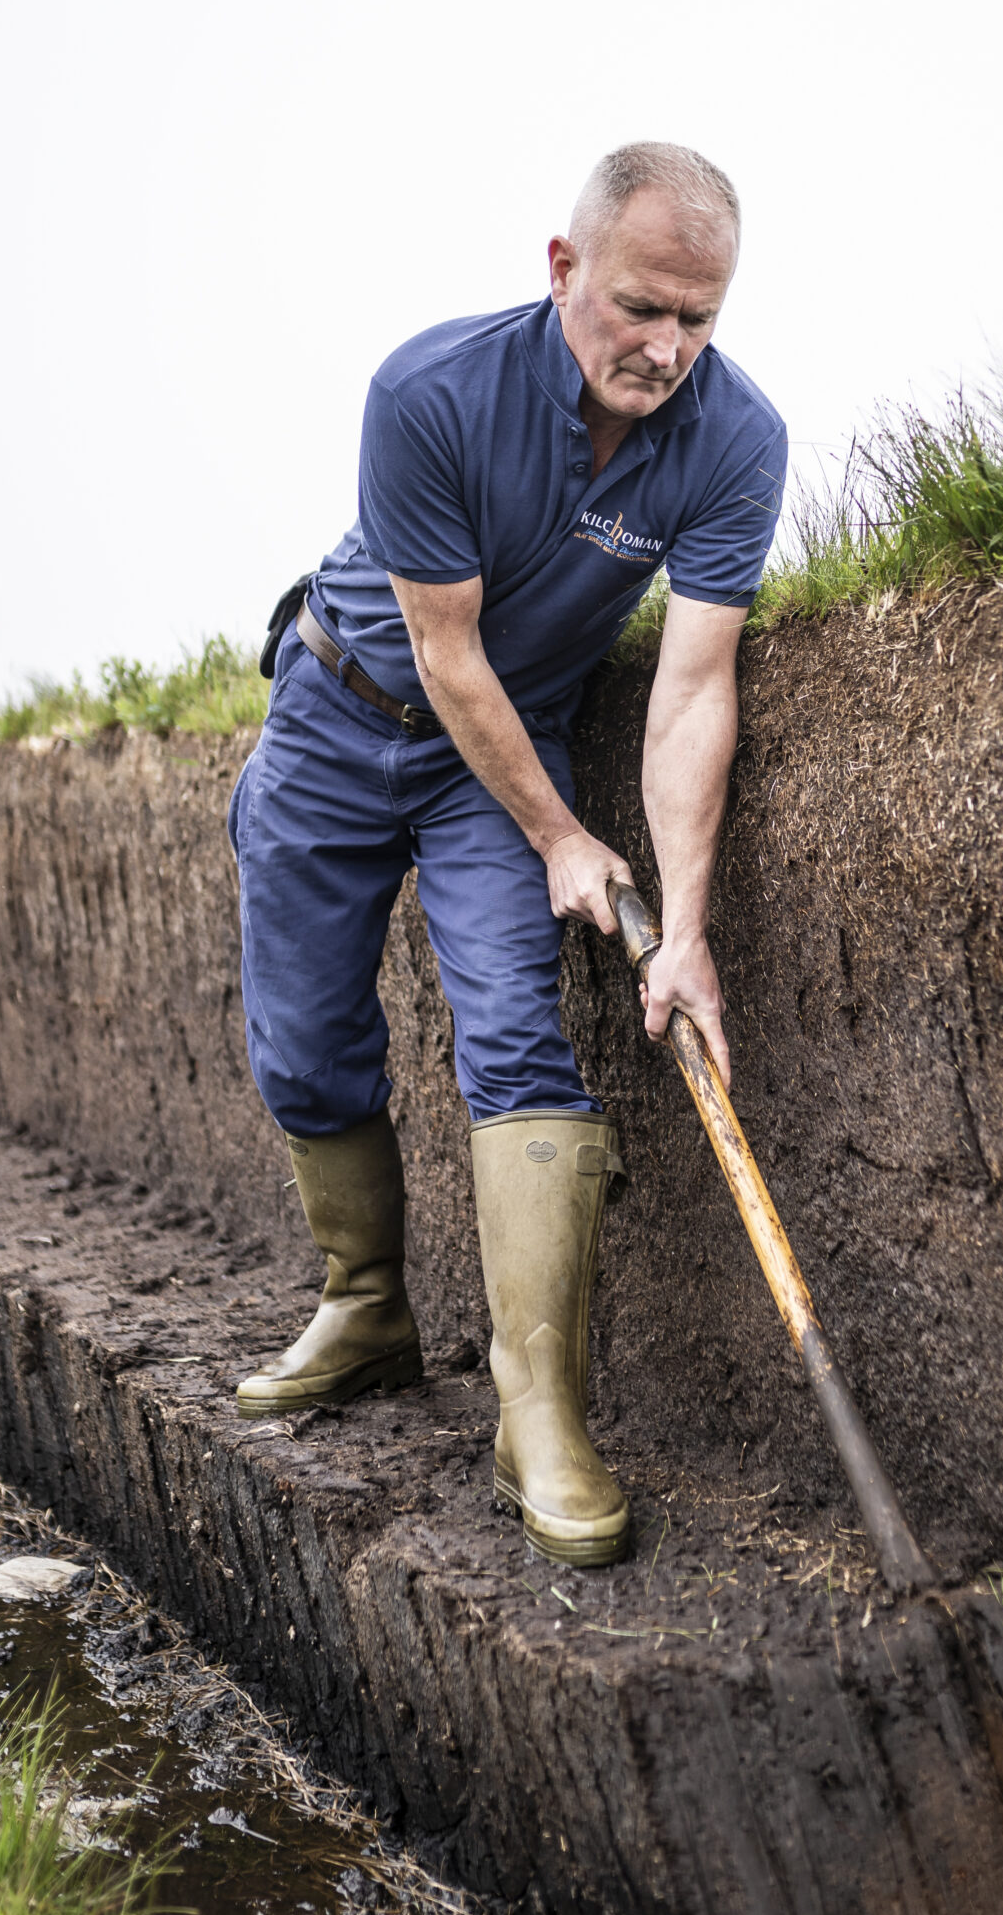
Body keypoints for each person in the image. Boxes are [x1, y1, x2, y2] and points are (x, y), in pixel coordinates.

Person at [226, 142, 787, 1568]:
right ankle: (366, 1311)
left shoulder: (736, 440)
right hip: (345, 707)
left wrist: (689, 929)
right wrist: (560, 835)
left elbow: (693, 691)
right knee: (301, 1040)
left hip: (507, 751)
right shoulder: (430, 391)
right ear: (563, 269)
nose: (666, 349)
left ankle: (538, 1410)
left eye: (700, 320)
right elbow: (441, 647)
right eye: (641, 308)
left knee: (518, 1039)